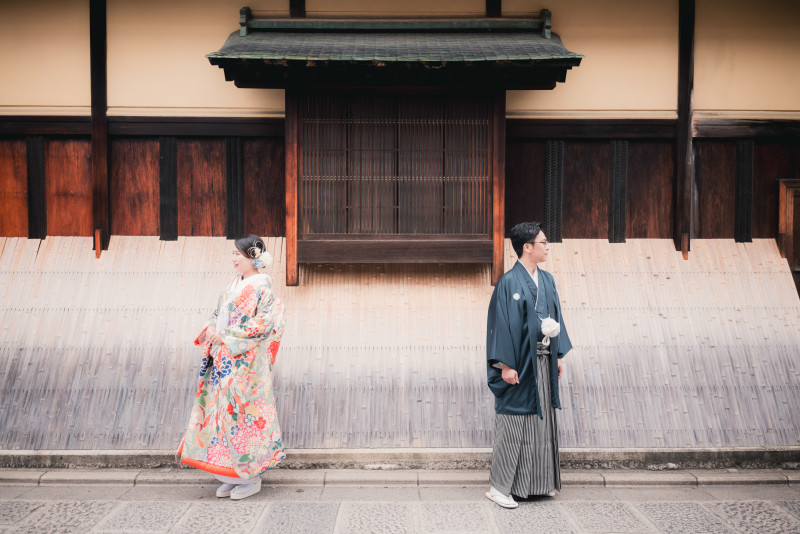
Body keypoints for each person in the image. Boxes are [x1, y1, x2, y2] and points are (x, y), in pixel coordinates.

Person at [177, 235, 286, 500]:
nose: (233, 258)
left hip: (245, 365)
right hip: (223, 360)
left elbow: (264, 325)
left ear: (252, 256)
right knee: (221, 416)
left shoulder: (263, 288)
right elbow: (216, 315)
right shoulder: (232, 285)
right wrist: (211, 329)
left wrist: (225, 335)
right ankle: (228, 475)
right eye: (233, 253)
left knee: (243, 416)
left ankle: (250, 478)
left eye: (238, 254)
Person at [485, 221, 572, 508]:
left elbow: (556, 316)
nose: (547, 247)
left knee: (540, 421)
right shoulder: (508, 282)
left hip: (543, 361)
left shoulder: (547, 280)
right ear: (527, 247)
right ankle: (499, 488)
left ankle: (536, 484)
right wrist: (505, 365)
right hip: (520, 362)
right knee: (513, 421)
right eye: (543, 242)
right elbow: (501, 324)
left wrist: (557, 355)